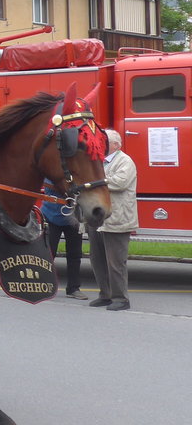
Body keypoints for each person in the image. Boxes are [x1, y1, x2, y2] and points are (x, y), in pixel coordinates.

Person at [88, 129, 137, 311]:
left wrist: (95, 181)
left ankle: (121, 299)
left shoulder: (125, 161)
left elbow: (120, 182)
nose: (100, 144)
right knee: (97, 259)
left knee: (115, 262)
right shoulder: (98, 160)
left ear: (116, 145)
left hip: (116, 218)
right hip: (98, 217)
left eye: (104, 141)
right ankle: (105, 295)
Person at [42, 179, 85, 299]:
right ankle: (44, 285)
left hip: (73, 216)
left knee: (75, 254)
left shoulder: (75, 166)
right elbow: (48, 185)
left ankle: (74, 288)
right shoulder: (52, 166)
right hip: (51, 214)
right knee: (49, 253)